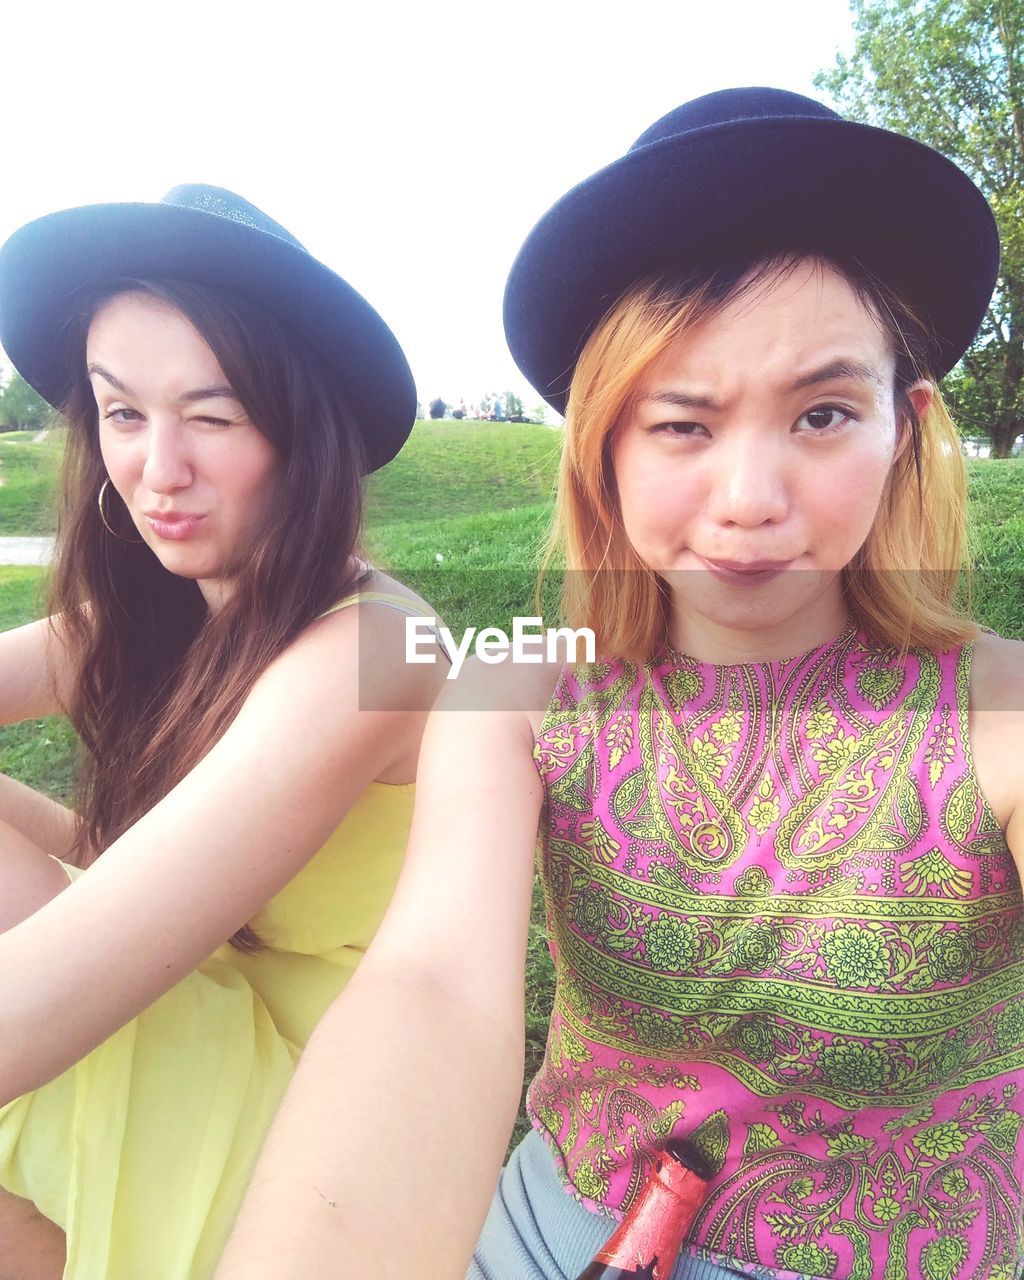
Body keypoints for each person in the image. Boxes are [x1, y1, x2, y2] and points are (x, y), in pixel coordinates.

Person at [216, 90, 1024, 1280]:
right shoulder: (519, 691)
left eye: (821, 412)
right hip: (549, 1232)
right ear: (604, 443)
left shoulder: (991, 713)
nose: (751, 496)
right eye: (682, 425)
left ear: (900, 428)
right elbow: (430, 990)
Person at [0, 184, 448, 1279]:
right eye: (121, 412)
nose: (158, 468)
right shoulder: (169, 609)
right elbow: (132, 883)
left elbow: (30, 1003)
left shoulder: (373, 649)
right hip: (208, 1005)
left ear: (304, 432)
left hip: (321, 1110)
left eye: (212, 415)